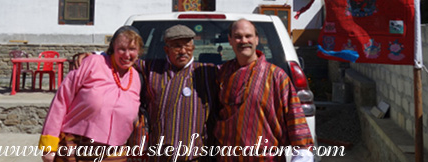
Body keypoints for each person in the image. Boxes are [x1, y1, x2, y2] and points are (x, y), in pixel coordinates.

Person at [73, 24, 218, 162]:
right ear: (166, 50)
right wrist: (95, 56)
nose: (183, 51)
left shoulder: (207, 71)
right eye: (176, 46)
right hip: (159, 153)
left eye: (187, 46)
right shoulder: (152, 67)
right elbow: (124, 58)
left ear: (193, 47)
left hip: (196, 154)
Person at [39, 26, 143, 162]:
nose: (127, 55)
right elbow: (61, 100)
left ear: (139, 51)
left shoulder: (136, 76)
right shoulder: (92, 63)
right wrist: (49, 146)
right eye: (122, 49)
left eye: (132, 49)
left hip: (114, 152)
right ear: (113, 48)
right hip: (76, 147)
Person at [215, 19, 314, 162]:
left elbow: (295, 118)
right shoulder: (223, 73)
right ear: (230, 40)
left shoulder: (277, 76)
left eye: (248, 36)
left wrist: (302, 154)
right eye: (237, 36)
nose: (243, 41)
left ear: (256, 39)